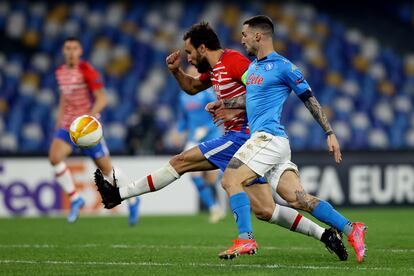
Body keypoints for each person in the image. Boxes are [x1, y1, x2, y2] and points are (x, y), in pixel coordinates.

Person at [94, 23, 347, 261]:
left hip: (244, 136)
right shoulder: (214, 70)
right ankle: (325, 235)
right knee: (266, 210)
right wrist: (175, 72)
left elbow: (261, 91)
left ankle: (118, 194)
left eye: (190, 52)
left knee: (180, 162)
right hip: (245, 141)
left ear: (203, 48)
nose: (189, 58)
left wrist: (232, 108)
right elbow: (192, 87)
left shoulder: (235, 61)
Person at [208, 15, 367, 263]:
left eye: (244, 34)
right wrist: (224, 104)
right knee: (297, 199)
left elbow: (309, 99)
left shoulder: (284, 67)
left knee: (230, 180)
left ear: (258, 36)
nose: (242, 39)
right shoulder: (252, 69)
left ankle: (245, 237)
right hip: (274, 144)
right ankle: (350, 228)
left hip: (268, 139)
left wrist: (329, 133)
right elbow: (250, 101)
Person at [49, 37, 140, 225]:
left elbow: (102, 99)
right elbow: (64, 99)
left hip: (87, 128)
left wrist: (88, 118)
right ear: (63, 51)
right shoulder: (60, 72)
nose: (71, 51)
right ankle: (75, 198)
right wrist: (59, 123)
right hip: (68, 126)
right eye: (68, 48)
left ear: (80, 51)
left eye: (74, 48)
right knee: (55, 157)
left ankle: (133, 198)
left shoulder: (87, 70)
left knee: (107, 170)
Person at [174, 65, 225, 223]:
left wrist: (207, 128)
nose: (192, 76)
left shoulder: (207, 93)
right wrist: (178, 131)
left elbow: (219, 113)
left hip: (212, 135)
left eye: (195, 73)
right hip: (193, 138)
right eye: (189, 74)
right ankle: (214, 208)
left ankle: (222, 206)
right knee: (193, 174)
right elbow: (183, 119)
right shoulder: (183, 96)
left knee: (211, 178)